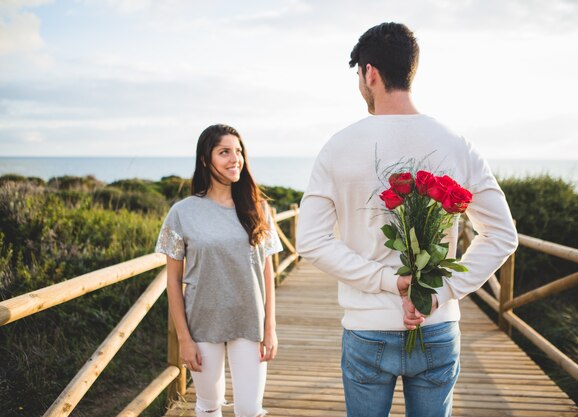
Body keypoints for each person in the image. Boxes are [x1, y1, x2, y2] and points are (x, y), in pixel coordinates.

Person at [296, 22, 518, 417]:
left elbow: (311, 240)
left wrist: (387, 282)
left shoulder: (338, 146)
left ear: (370, 74)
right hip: (435, 325)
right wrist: (438, 292)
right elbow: (501, 235)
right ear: (410, 70)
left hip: (367, 328)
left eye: (360, 77)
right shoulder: (456, 143)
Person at [155, 124, 282, 417]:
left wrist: (270, 328)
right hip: (202, 324)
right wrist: (184, 339)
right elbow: (173, 282)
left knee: (250, 410)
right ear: (205, 159)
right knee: (209, 406)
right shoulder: (182, 212)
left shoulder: (258, 209)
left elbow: (267, 273)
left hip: (249, 322)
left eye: (238, 151)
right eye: (224, 152)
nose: (234, 158)